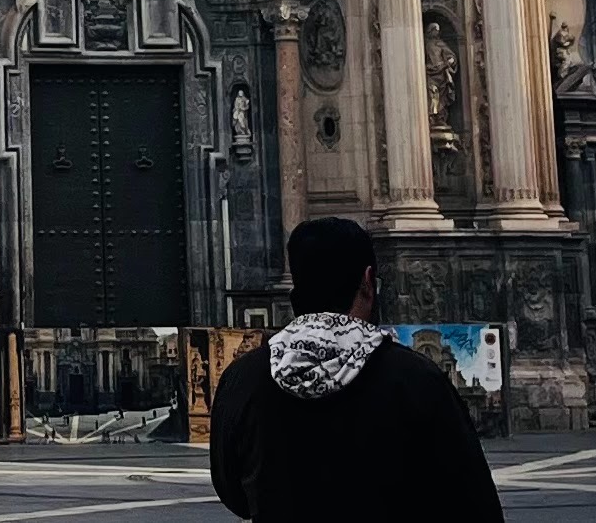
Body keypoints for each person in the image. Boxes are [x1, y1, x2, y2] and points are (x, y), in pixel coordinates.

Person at [207, 215, 502, 522]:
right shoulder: (418, 379)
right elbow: (474, 501)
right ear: (368, 282)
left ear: (296, 291)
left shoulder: (243, 378)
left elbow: (234, 493)